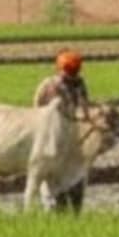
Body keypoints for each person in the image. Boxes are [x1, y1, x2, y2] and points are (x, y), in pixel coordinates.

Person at [33, 50, 94, 212]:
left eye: (74, 71)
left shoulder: (80, 84)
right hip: (52, 136)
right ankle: (52, 207)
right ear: (60, 69)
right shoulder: (48, 86)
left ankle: (74, 207)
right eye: (69, 71)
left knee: (76, 175)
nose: (72, 75)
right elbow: (36, 110)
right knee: (51, 174)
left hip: (73, 136)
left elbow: (85, 108)